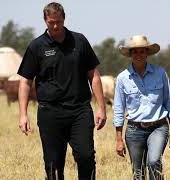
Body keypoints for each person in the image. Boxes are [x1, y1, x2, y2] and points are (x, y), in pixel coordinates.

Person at [17, 2, 107, 180]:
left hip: (79, 110)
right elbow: (26, 81)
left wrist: (101, 108)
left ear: (64, 18)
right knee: (53, 164)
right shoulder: (37, 46)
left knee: (86, 156)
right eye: (51, 22)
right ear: (45, 21)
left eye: (58, 21)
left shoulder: (79, 41)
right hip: (50, 112)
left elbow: (94, 75)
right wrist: (23, 114)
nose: (56, 26)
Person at [114, 35, 170, 180]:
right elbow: (118, 109)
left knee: (154, 161)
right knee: (138, 172)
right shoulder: (123, 78)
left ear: (147, 53)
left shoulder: (160, 73)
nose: (139, 55)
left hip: (159, 127)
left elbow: (169, 101)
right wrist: (118, 139)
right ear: (130, 54)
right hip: (134, 130)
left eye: (142, 51)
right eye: (135, 52)